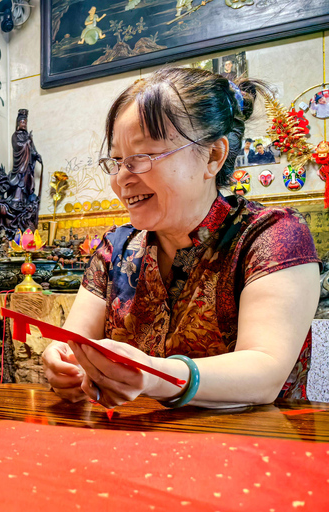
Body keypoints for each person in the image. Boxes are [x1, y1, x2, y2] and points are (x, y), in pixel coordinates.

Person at [42, 68, 319, 409]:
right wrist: (62, 364)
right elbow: (74, 344)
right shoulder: (116, 249)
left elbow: (265, 371)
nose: (122, 179)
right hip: (133, 446)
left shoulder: (271, 235)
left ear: (213, 156)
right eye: (116, 160)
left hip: (258, 446)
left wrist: (155, 375)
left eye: (142, 157)